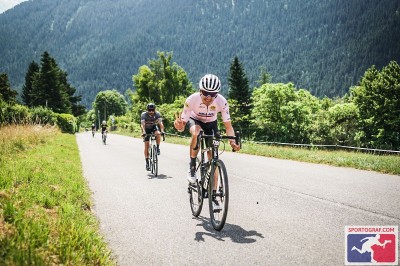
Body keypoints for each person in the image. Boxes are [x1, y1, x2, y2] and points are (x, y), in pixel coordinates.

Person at [173, 74, 240, 185]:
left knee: (213, 156)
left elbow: (228, 126)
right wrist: (179, 126)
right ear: (200, 90)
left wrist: (233, 142)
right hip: (195, 121)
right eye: (205, 93)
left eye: (213, 94)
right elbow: (183, 124)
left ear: (217, 94)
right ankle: (192, 166)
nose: (208, 97)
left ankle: (214, 194)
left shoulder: (222, 102)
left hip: (211, 124)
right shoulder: (191, 100)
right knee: (197, 132)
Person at [141, 103, 165, 171]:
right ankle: (147, 162)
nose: (151, 111)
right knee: (146, 145)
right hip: (146, 129)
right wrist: (144, 132)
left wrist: (162, 130)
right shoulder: (144, 115)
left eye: (152, 110)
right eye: (149, 110)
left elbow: (160, 123)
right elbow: (142, 125)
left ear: (155, 110)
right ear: (147, 110)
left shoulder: (157, 114)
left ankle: (157, 148)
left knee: (158, 133)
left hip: (153, 127)